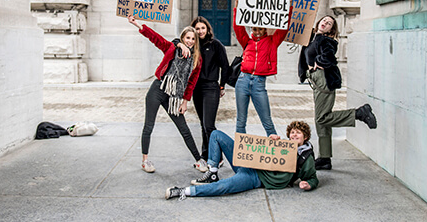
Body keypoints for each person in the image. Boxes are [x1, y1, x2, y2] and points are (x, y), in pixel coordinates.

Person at [127, 15, 207, 173]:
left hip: (174, 97)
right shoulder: (172, 48)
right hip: (158, 88)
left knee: (183, 128)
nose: (190, 41)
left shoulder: (197, 59)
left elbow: (191, 83)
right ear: (182, 38)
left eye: (193, 39)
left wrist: (185, 101)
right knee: (149, 126)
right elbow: (155, 38)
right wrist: (137, 24)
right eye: (187, 38)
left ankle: (198, 160)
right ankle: (145, 161)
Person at [298, 15, 377, 171]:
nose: (325, 24)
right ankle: (325, 158)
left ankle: (359, 113)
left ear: (331, 29)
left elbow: (328, 56)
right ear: (318, 22)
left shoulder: (326, 40)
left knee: (322, 118)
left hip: (324, 79)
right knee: (321, 120)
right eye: (324, 21)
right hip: (315, 80)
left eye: (329, 24)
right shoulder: (311, 38)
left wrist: (318, 64)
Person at [164, 121, 318, 200]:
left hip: (256, 178)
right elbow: (263, 154)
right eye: (292, 133)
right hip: (248, 164)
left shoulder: (305, 158)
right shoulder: (284, 145)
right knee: (216, 134)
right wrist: (272, 142)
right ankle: (212, 171)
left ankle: (184, 191)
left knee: (224, 187)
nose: (294, 136)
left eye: (298, 133)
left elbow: (313, 178)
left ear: (305, 137)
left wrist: (308, 184)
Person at [232, 0, 294, 137]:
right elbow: (237, 27)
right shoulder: (247, 41)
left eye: (260, 29)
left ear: (265, 28)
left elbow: (283, 27)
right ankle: (240, 153)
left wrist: (289, 4)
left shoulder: (272, 41)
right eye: (255, 29)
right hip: (242, 80)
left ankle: (274, 150)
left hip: (259, 84)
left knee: (267, 120)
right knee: (241, 120)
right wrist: (237, 2)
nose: (258, 32)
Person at [175, 17, 229, 164]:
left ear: (208, 29)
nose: (200, 31)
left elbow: (225, 66)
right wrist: (180, 43)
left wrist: (222, 85)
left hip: (211, 88)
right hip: (196, 89)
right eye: (197, 29)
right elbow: (174, 43)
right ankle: (205, 156)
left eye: (202, 28)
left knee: (209, 125)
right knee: (203, 124)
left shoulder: (216, 45)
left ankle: (217, 158)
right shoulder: (192, 46)